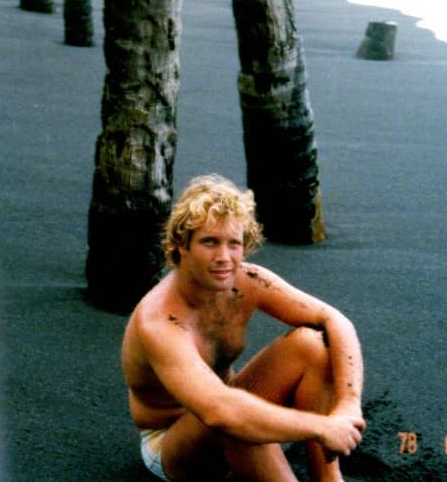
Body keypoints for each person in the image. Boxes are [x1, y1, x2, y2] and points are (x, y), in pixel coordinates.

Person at [122, 174, 365, 482]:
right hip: (174, 444)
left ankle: (328, 478)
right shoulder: (159, 321)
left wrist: (348, 407)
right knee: (233, 418)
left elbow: (335, 321)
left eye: (233, 243)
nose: (224, 258)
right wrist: (321, 427)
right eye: (210, 242)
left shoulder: (247, 280)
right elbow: (219, 411)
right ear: (182, 245)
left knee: (311, 344)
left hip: (227, 408)